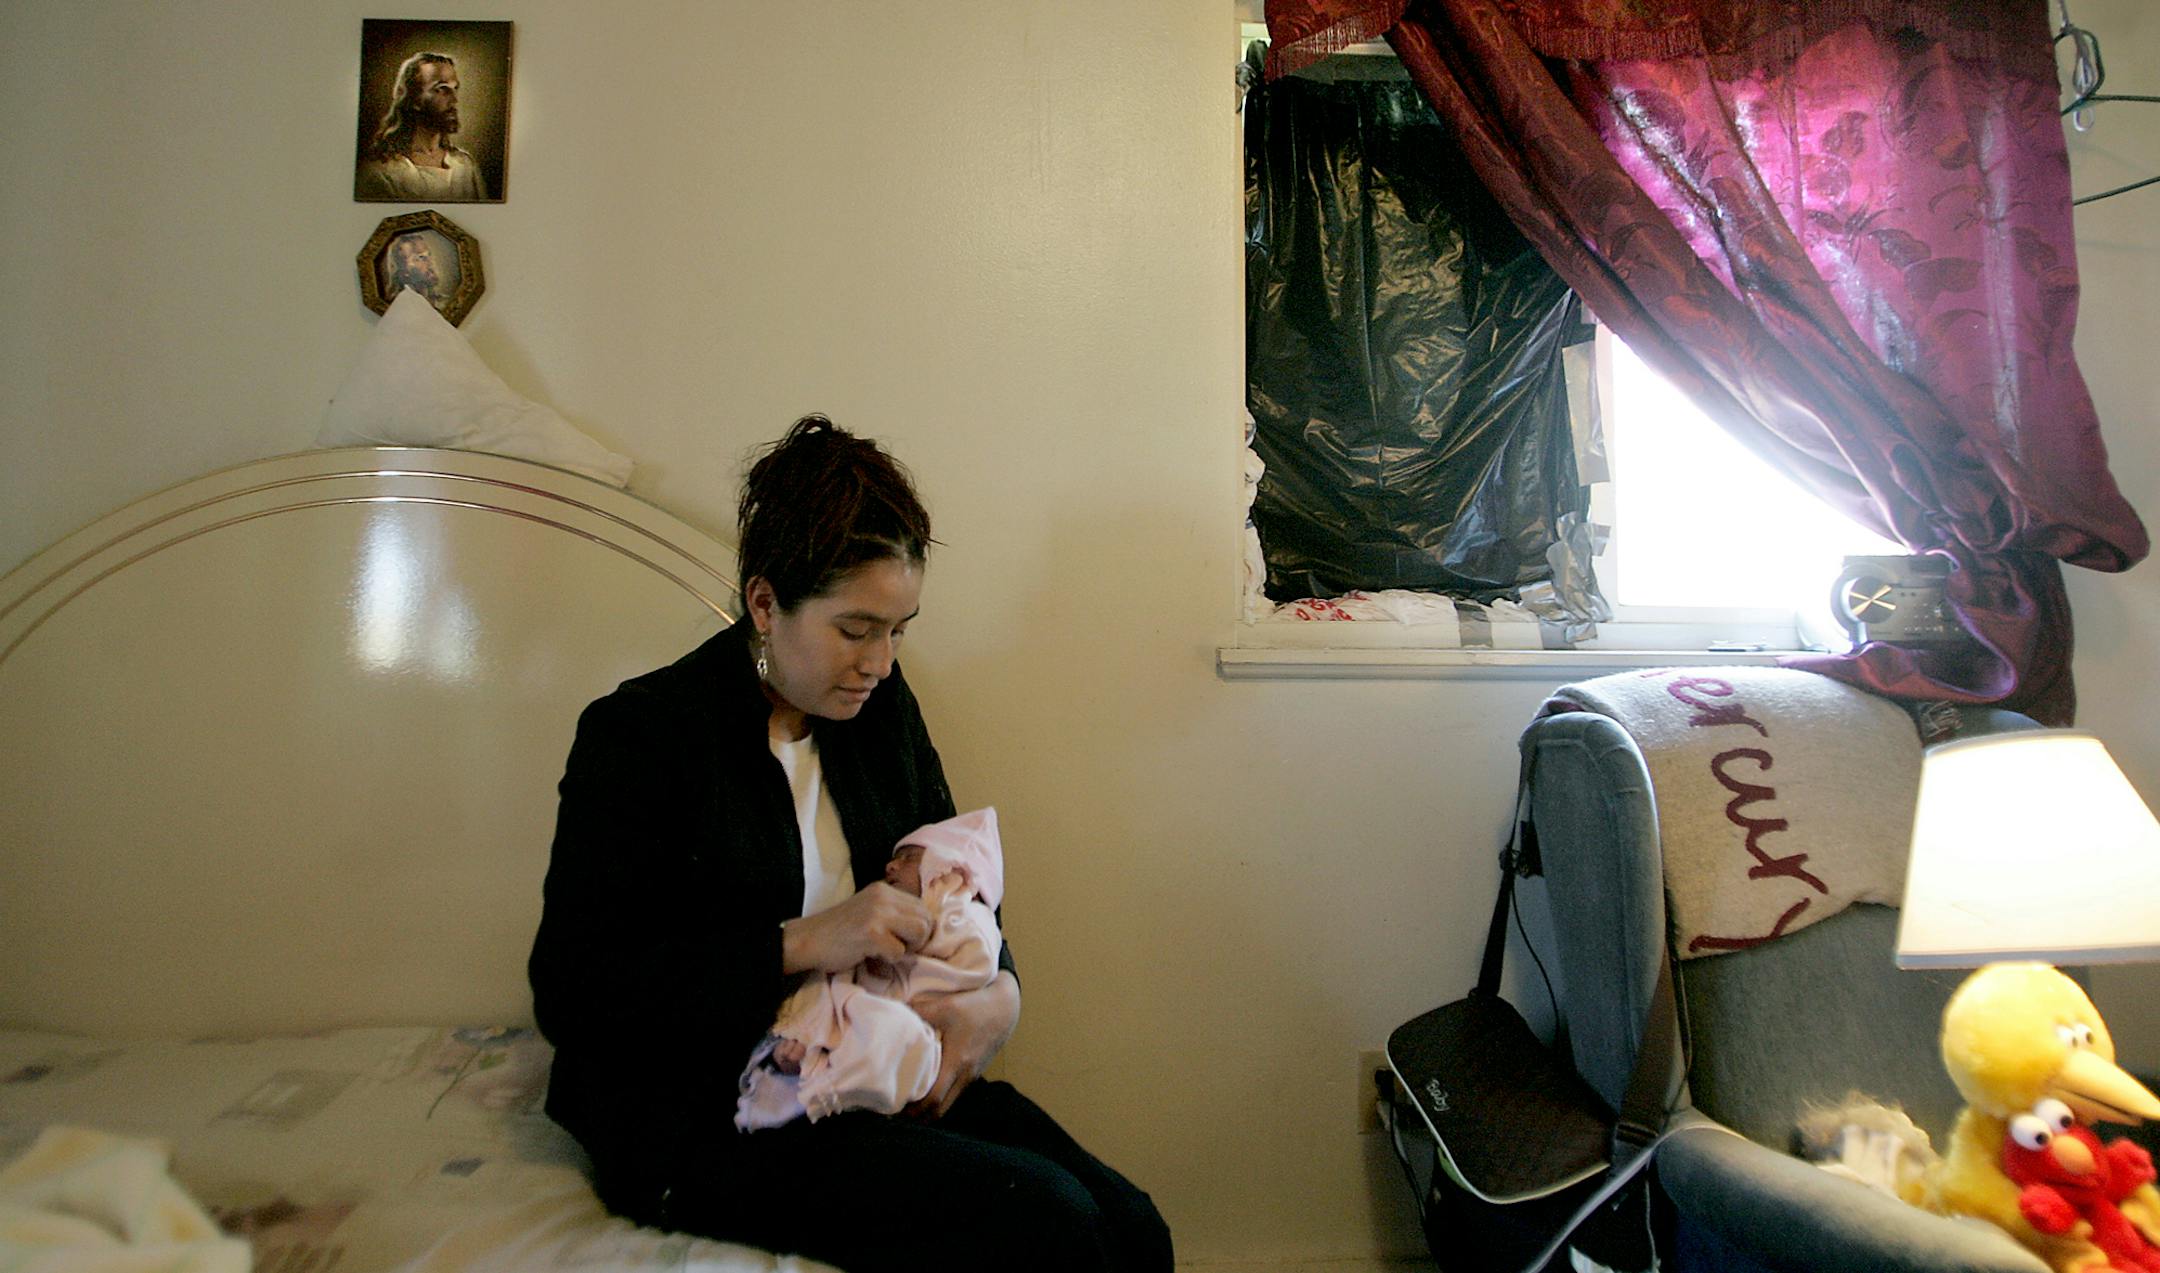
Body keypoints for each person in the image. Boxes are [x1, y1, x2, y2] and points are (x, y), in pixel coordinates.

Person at [528, 416, 1172, 1272]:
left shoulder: (878, 713)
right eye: (854, 628)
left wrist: (998, 998)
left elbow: (955, 879)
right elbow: (572, 991)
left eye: (899, 628)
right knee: (1048, 1221)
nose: (879, 660)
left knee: (1132, 1225)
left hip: (864, 1066)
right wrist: (798, 943)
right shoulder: (641, 737)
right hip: (713, 1107)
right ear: (765, 602)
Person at [735, 806, 1005, 1130]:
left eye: (909, 859)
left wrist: (1006, 997)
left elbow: (982, 952)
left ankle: (824, 1077)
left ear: (943, 871)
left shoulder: (963, 918)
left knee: (894, 1033)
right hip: (847, 996)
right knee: (825, 989)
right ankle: (803, 1054)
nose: (890, 866)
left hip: (916, 1034)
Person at [357, 52, 488, 201]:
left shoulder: (464, 166)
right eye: (441, 89)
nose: (455, 100)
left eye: (455, 89)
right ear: (413, 99)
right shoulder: (382, 172)